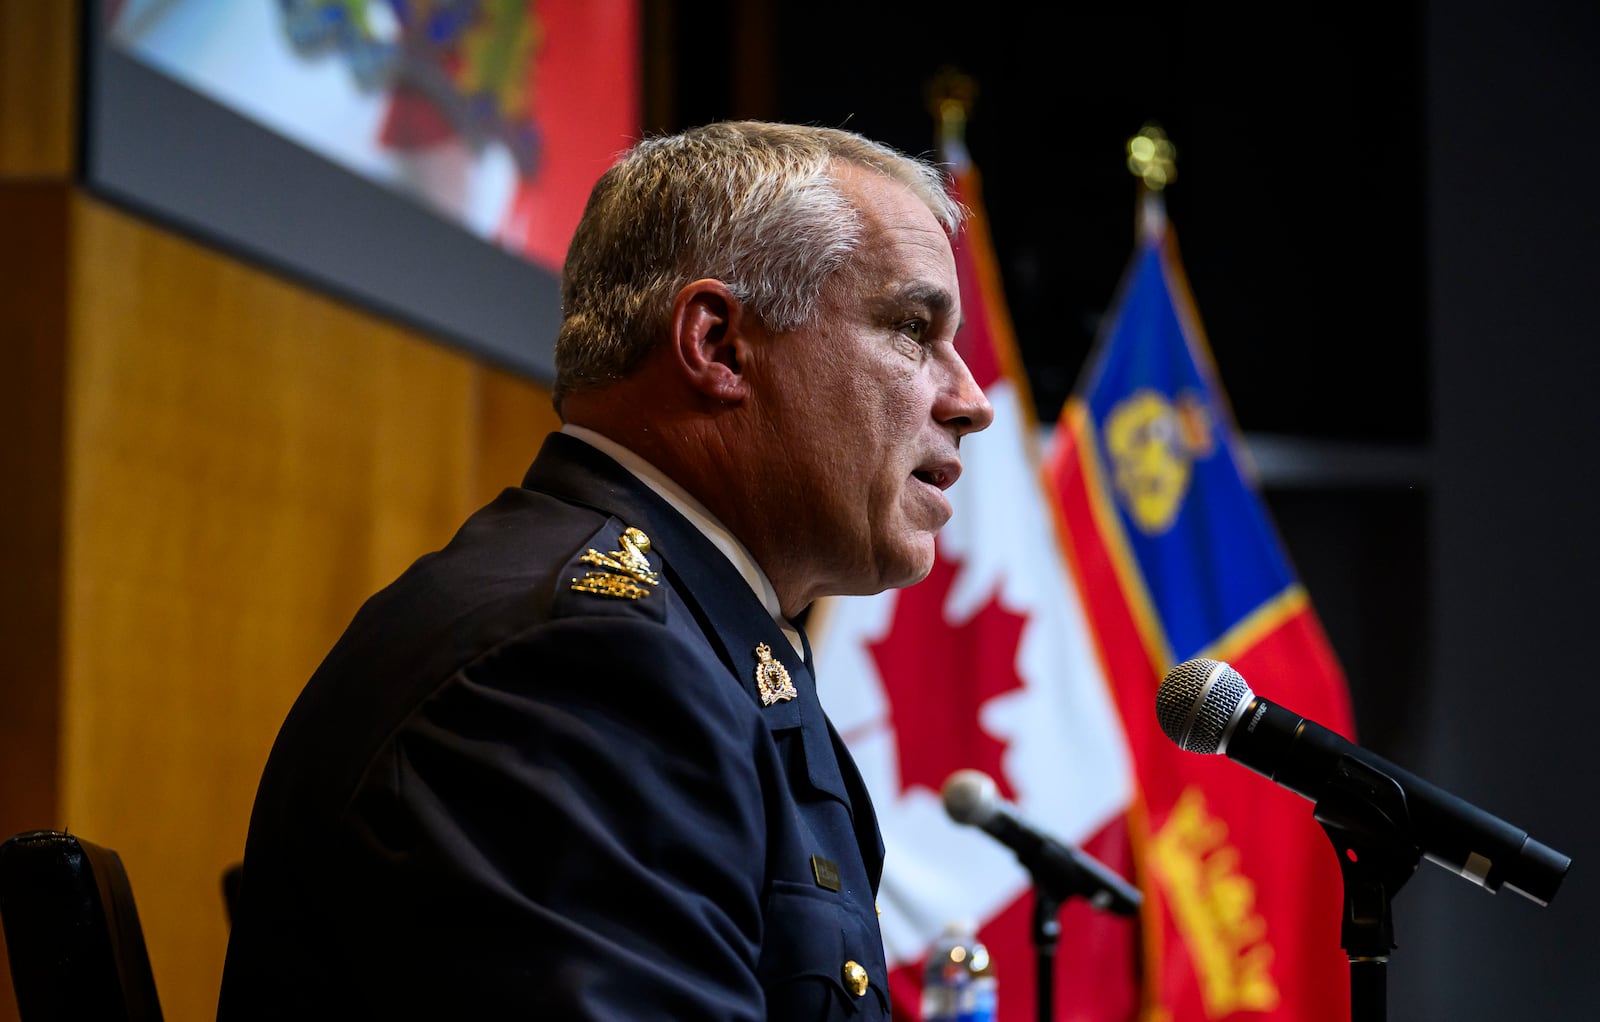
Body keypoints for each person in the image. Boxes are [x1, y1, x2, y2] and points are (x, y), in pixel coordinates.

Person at [217, 119, 993, 1020]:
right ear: (718, 345)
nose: (969, 400)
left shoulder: (696, 643)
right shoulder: (585, 671)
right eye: (911, 329)